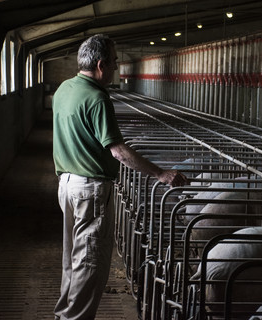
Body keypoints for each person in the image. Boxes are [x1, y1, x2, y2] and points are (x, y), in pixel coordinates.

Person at [52, 34, 188, 320]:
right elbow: (118, 151)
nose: (115, 67)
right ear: (101, 65)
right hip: (90, 189)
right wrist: (160, 173)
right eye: (113, 62)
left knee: (72, 262)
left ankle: (63, 314)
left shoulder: (64, 89)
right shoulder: (98, 97)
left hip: (67, 185)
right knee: (89, 265)